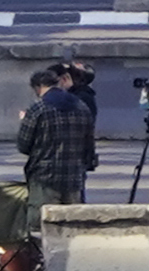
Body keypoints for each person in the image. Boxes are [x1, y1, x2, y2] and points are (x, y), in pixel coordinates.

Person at [16, 63, 94, 211]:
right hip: (74, 177)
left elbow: (23, 145)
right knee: (74, 223)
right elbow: (89, 145)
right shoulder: (82, 107)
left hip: (45, 177)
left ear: (37, 87)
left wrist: (25, 122)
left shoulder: (38, 109)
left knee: (43, 223)